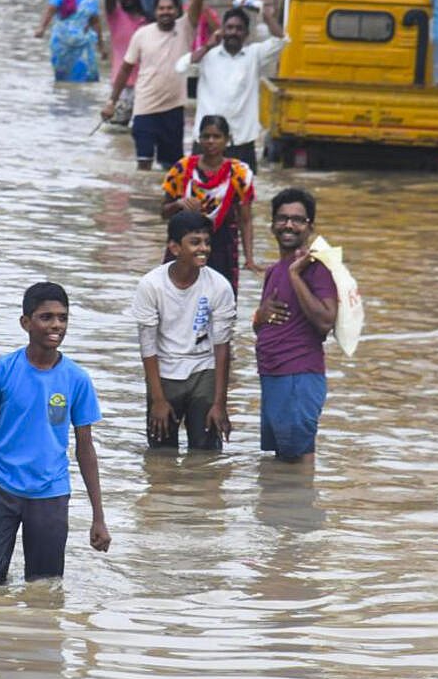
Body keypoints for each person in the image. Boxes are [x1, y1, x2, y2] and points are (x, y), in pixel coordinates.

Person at [0, 282, 111, 585]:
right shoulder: (1, 370)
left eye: (63, 318)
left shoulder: (77, 379)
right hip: (0, 489)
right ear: (26, 323)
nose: (56, 325)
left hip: (50, 495)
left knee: (44, 589)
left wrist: (98, 516)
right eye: (46, 317)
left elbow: (85, 448)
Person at [131, 211, 235, 450]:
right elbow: (147, 347)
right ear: (175, 248)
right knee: (160, 453)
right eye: (195, 242)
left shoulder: (219, 286)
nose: (204, 248)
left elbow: (222, 346)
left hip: (203, 370)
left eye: (207, 242)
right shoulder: (151, 285)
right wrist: (158, 400)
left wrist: (220, 403)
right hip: (165, 374)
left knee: (206, 452)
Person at [101, 0, 206, 169]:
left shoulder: (185, 28)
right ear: (155, 11)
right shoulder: (142, 34)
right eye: (161, 8)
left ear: (177, 11)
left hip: (173, 110)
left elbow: (198, 0)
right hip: (144, 108)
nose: (165, 12)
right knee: (144, 168)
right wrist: (111, 101)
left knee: (172, 168)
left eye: (170, 8)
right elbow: (126, 68)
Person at [253, 188, 338, 465]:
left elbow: (326, 321)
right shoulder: (273, 270)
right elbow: (265, 325)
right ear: (272, 224)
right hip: (274, 378)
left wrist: (295, 275)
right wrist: (259, 317)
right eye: (282, 218)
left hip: (298, 377)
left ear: (310, 227)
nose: (289, 224)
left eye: (297, 219)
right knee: (282, 465)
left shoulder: (315, 268)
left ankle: (301, 510)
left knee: (297, 464)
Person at [176, 3, 287, 171]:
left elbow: (282, 41)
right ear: (222, 30)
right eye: (229, 28)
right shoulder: (208, 55)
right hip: (207, 141)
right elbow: (181, 67)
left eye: (239, 28)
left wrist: (268, 18)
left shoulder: (254, 55)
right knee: (199, 191)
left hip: (241, 142)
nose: (233, 32)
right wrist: (207, 46)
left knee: (242, 194)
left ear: (246, 34)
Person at [160, 114, 260, 297]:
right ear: (199, 139)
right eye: (206, 136)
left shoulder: (239, 173)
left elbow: (245, 220)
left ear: (227, 140)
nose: (211, 142)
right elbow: (164, 212)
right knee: (173, 297)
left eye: (217, 137)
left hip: (223, 248)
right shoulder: (182, 169)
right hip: (183, 249)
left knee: (221, 301)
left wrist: (250, 258)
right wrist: (179, 204)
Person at [35, 0, 106, 83]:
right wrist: (41, 28)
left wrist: (101, 45)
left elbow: (95, 22)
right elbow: (50, 11)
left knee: (87, 76)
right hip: (62, 43)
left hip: (83, 42)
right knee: (63, 79)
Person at [103, 0, 150, 124]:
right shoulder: (115, 15)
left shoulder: (149, 20)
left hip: (146, 85)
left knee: (141, 130)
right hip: (121, 86)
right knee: (117, 132)